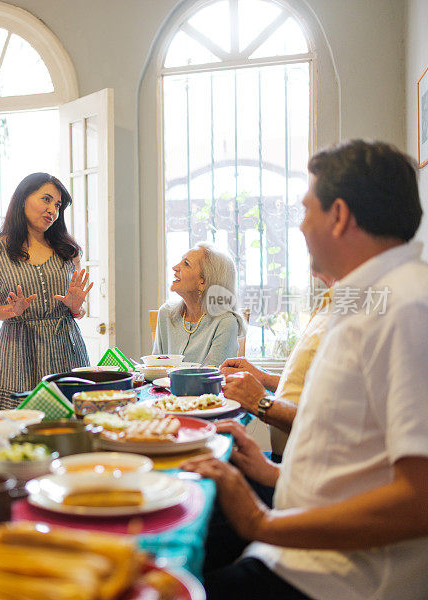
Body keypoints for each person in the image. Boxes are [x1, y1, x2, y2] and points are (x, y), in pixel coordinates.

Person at [183, 140, 428, 600]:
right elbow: (354, 455)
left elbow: (420, 499)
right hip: (296, 553)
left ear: (339, 216)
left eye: (305, 210)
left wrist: (261, 521)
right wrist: (272, 472)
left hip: (333, 579)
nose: (299, 226)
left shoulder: (407, 307)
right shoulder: (368, 296)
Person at [0, 173, 93, 410]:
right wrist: (12, 310)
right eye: (46, 200)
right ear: (22, 199)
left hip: (66, 351)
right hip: (17, 356)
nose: (53, 210)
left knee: (73, 428)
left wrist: (75, 307)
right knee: (18, 432)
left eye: (58, 205)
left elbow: (79, 310)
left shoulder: (68, 250)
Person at [220, 271, 335, 458]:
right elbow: (317, 390)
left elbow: (337, 424)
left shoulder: (365, 312)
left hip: (302, 469)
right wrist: (264, 378)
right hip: (286, 463)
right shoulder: (333, 301)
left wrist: (262, 401)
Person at [152, 241, 244, 366]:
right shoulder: (166, 313)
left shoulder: (225, 322)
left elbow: (213, 377)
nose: (175, 267)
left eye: (186, 264)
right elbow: (155, 367)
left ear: (203, 281)